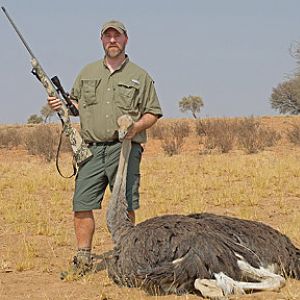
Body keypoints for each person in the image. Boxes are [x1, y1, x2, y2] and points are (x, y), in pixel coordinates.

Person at [48, 20, 162, 277]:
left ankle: (127, 256)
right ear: (102, 40)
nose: (112, 40)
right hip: (90, 150)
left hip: (124, 150)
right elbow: (74, 105)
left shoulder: (139, 76)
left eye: (117, 36)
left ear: (126, 40)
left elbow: (153, 112)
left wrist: (135, 127)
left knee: (125, 204)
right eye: (107, 36)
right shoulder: (87, 72)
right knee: (82, 203)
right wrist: (60, 105)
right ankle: (83, 259)